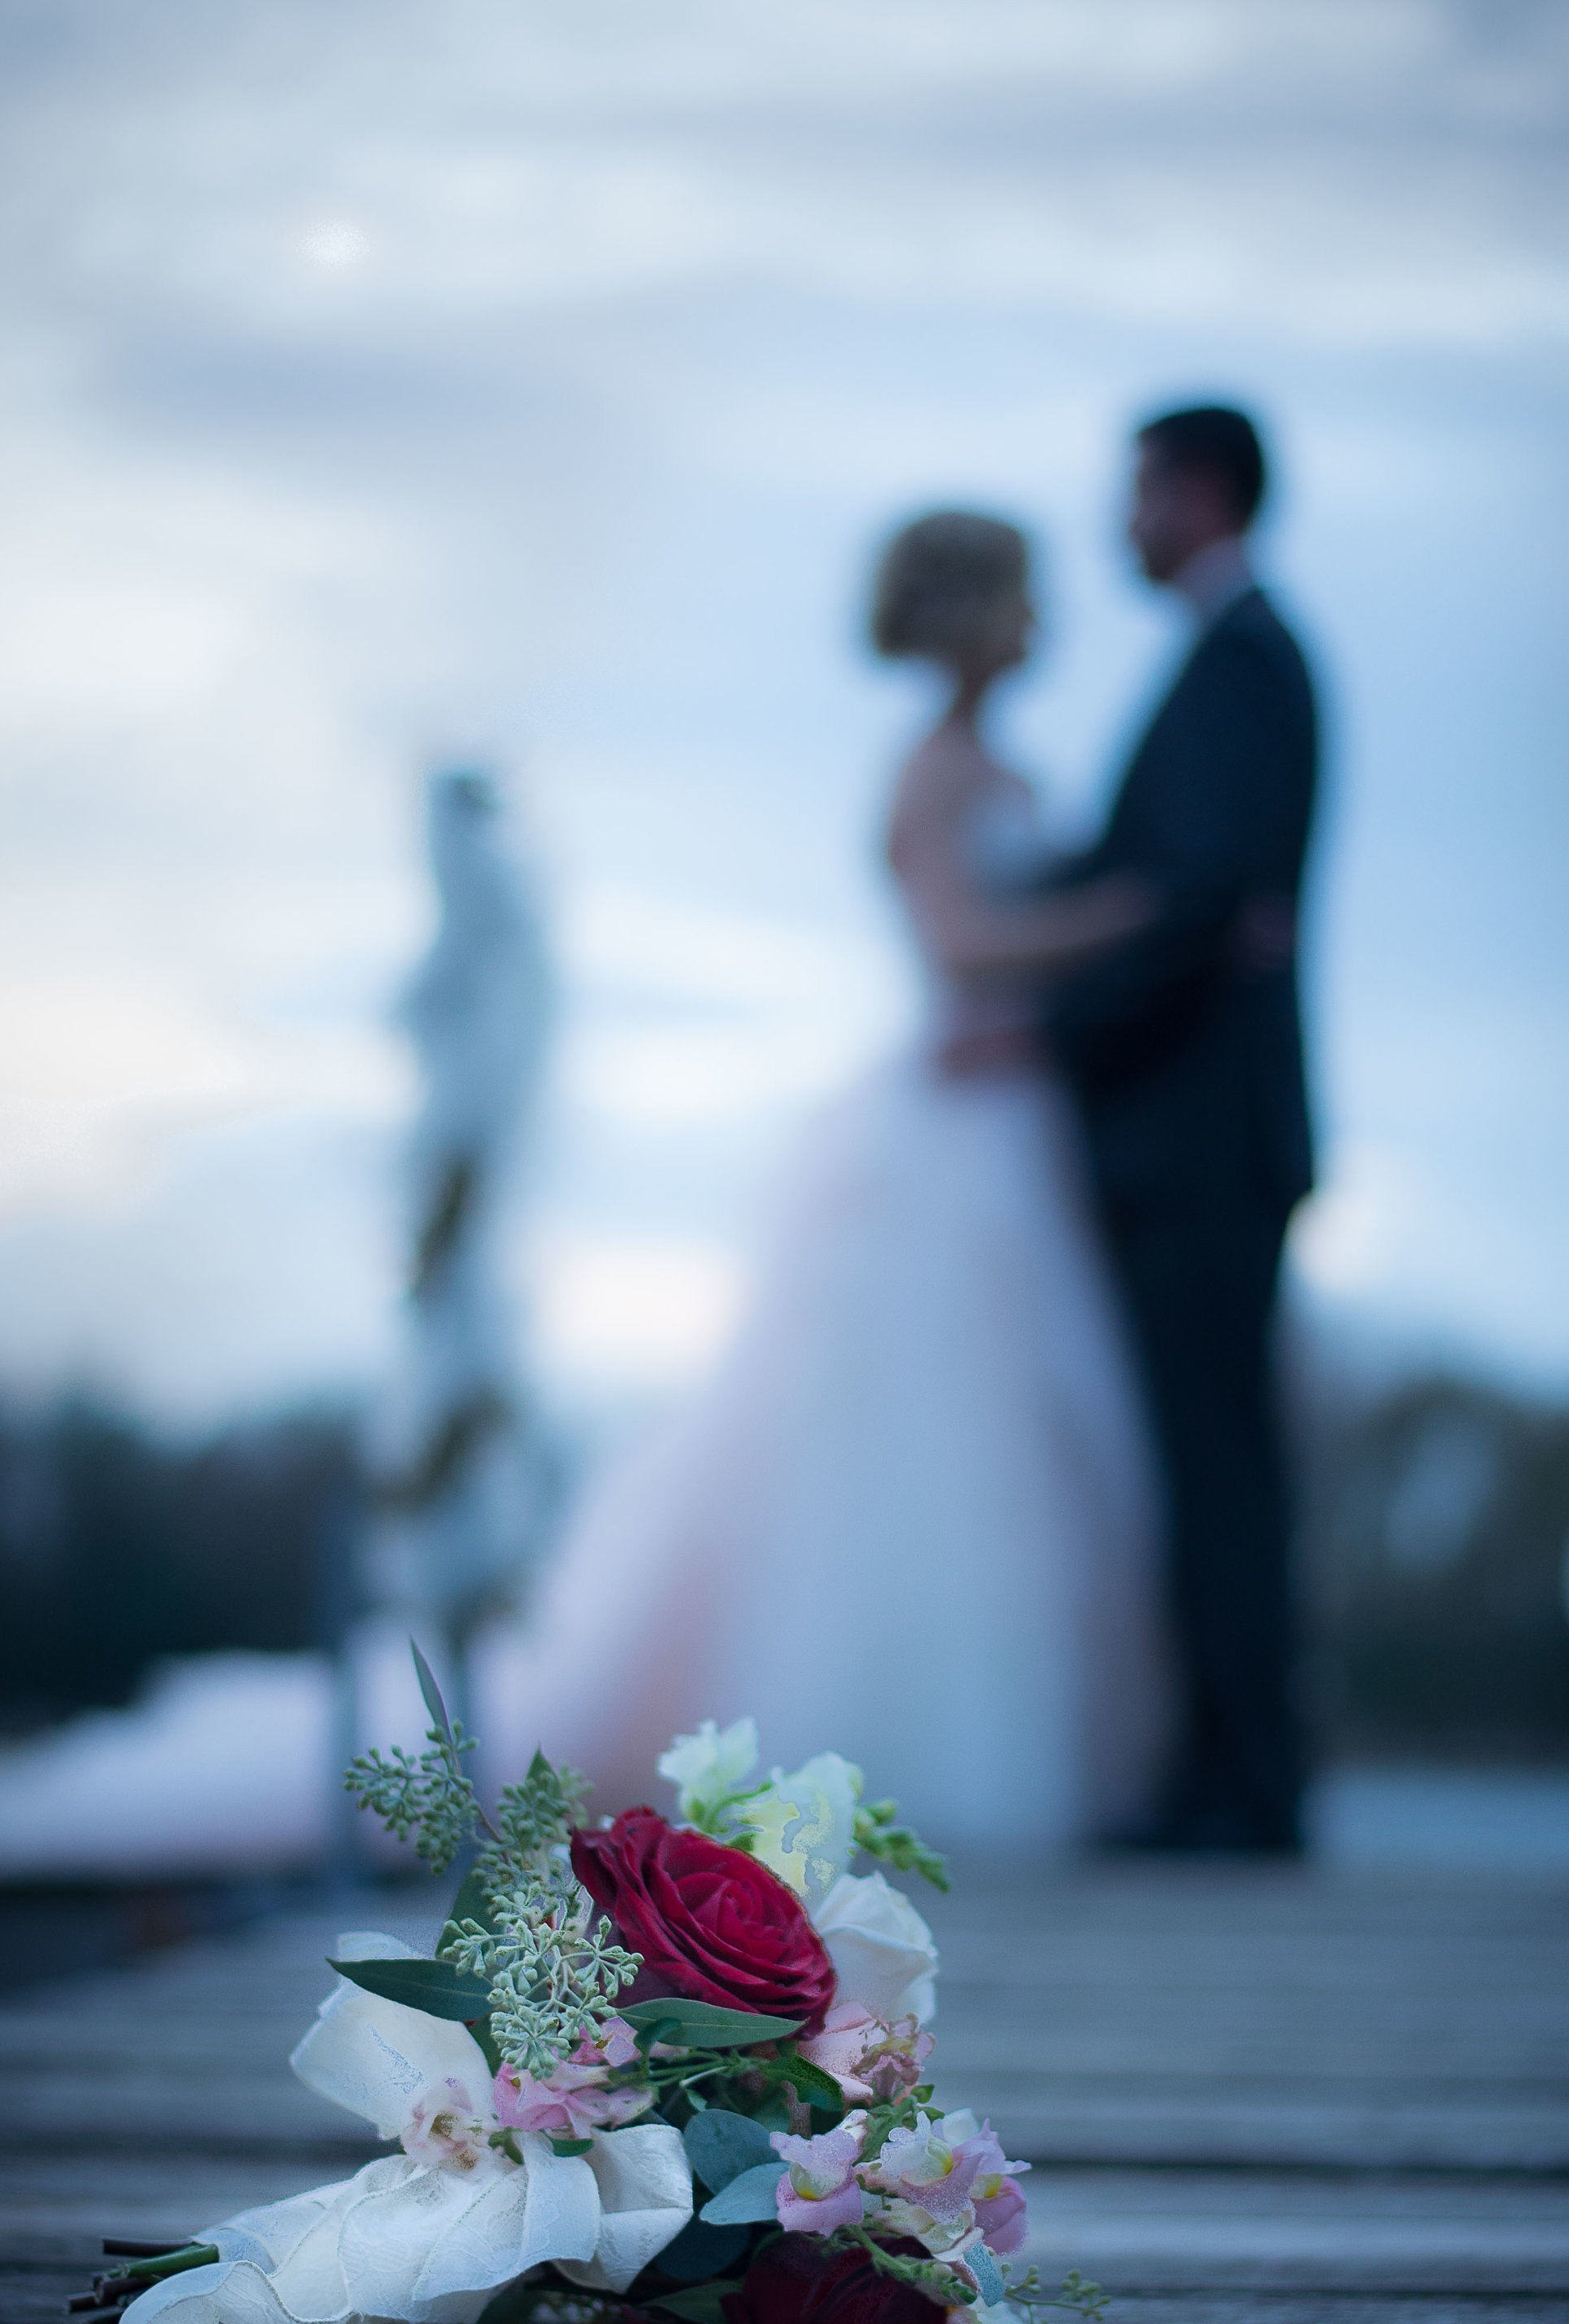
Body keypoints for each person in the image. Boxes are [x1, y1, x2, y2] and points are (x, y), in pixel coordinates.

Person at [503, 511, 1169, 1847]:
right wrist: (1129, 919)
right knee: (922, 1439)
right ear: (974, 617)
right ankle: (884, 1754)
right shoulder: (929, 775)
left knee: (1027, 1452)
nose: (1044, 626)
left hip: (1013, 1119)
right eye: (1026, 601)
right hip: (947, 1130)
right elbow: (961, 939)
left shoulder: (999, 765)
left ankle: (1020, 1753)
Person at [1048, 405, 1321, 1853]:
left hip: (1200, 1141)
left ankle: (1244, 1787)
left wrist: (1045, 1029)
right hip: (1203, 1139)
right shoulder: (1238, 659)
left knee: (1216, 1464)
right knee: (1210, 1458)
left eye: (1141, 490)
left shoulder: (1243, 663)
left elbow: (1199, 892)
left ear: (1200, 492)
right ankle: (1233, 1772)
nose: (1125, 520)